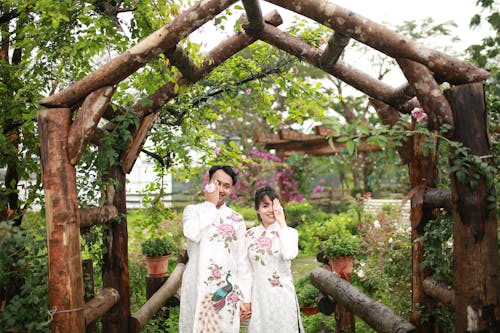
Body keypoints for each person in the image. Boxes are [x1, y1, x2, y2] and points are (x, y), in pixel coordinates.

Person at [179, 165, 251, 333]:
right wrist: (210, 205)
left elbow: (241, 261)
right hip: (196, 285)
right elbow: (192, 233)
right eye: (217, 183)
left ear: (231, 190)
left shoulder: (236, 219)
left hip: (224, 291)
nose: (221, 189)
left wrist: (245, 297)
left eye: (226, 186)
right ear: (208, 182)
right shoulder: (192, 211)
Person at [244, 185, 304, 332]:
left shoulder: (289, 232)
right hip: (259, 295)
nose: (271, 210)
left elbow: (289, 254)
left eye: (274, 205)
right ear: (257, 210)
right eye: (265, 206)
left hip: (283, 295)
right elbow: (246, 270)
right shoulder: (249, 235)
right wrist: (246, 299)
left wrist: (282, 222)